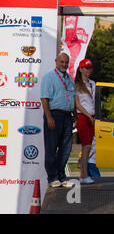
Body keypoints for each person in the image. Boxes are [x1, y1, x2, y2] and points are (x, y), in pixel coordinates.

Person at [40, 52, 77, 188]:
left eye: (66, 62)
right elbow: (44, 98)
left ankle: (62, 176)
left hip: (68, 116)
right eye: (62, 62)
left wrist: (75, 116)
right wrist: (49, 117)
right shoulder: (49, 77)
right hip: (54, 115)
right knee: (51, 147)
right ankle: (52, 177)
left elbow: (73, 98)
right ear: (56, 61)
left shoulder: (69, 78)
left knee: (66, 148)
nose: (64, 65)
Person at [74, 58, 96, 184]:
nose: (88, 70)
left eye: (90, 68)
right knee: (86, 146)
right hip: (83, 117)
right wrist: (88, 116)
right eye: (86, 68)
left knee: (87, 147)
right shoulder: (77, 84)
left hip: (91, 117)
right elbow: (77, 104)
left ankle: (84, 174)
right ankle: (83, 175)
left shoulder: (93, 83)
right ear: (81, 69)